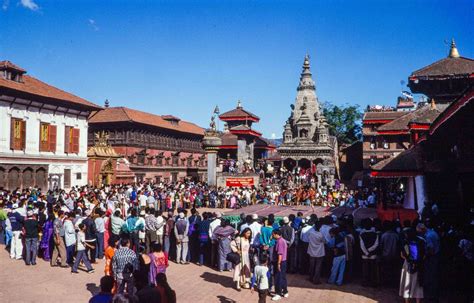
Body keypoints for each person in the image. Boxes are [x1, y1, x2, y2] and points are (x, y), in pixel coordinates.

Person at [399, 228, 425, 303]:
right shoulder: (421, 241)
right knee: (417, 284)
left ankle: (407, 301)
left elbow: (402, 255)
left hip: (407, 265)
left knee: (407, 282)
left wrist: (409, 260)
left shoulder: (405, 242)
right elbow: (424, 255)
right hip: (419, 265)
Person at [359, 219, 379, 287]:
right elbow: (376, 244)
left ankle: (365, 282)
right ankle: (373, 282)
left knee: (365, 269)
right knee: (373, 270)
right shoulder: (375, 234)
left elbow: (362, 245)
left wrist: (366, 252)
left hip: (365, 255)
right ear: (371, 226)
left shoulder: (362, 234)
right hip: (373, 255)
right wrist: (370, 251)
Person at [271, 229, 288, 301]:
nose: (272, 235)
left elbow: (280, 254)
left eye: (273, 234)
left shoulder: (279, 242)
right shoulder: (283, 240)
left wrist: (278, 263)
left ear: (276, 234)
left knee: (278, 278)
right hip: (283, 261)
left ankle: (278, 293)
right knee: (283, 276)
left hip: (280, 261)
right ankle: (285, 291)